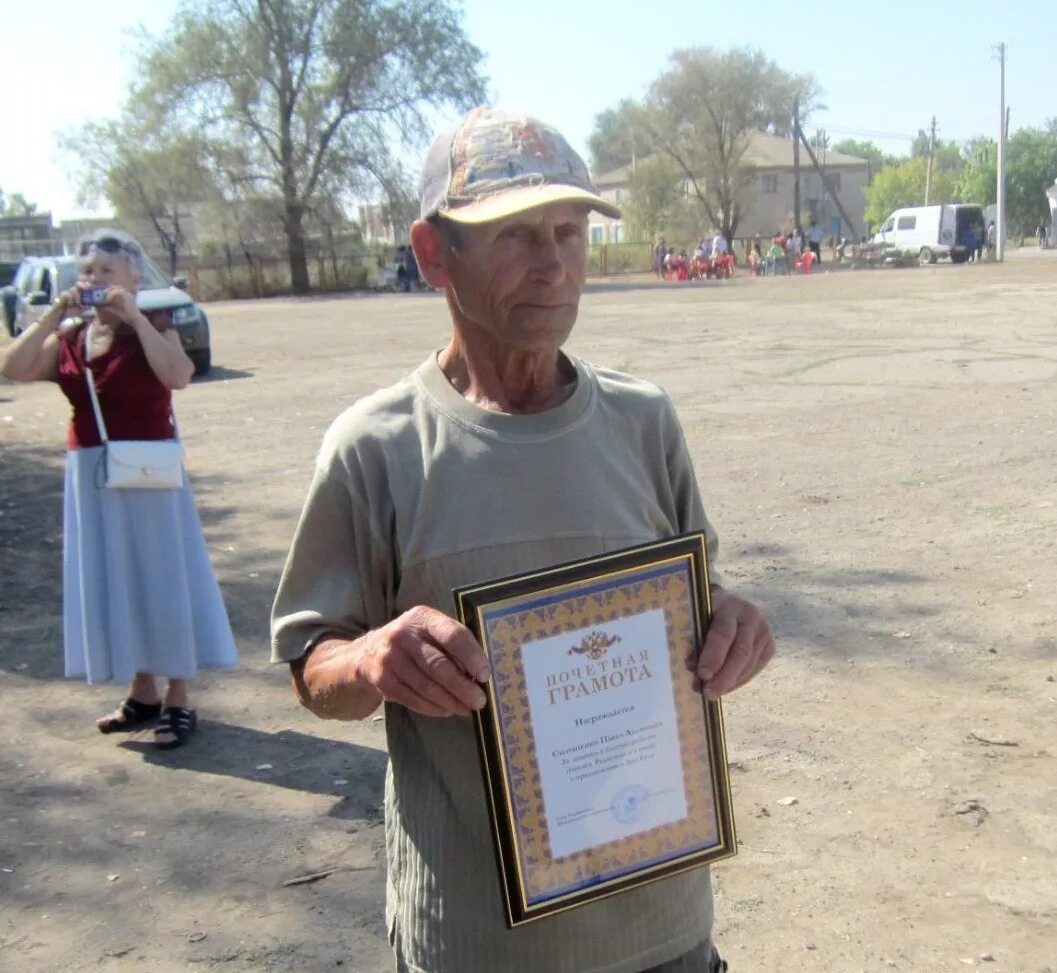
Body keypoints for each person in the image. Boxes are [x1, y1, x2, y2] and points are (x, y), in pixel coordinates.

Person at [271, 107, 774, 973]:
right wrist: (368, 661)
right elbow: (314, 669)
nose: (553, 266)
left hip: (662, 929)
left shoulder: (643, 420)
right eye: (513, 237)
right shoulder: (376, 447)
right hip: (477, 944)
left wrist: (734, 623)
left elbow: (696, 603)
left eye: (569, 232)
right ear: (435, 255)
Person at [0, 229, 238, 748]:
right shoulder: (72, 336)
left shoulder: (154, 323)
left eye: (108, 270)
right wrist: (51, 312)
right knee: (116, 579)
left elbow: (179, 375)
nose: (95, 280)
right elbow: (12, 366)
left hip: (151, 474)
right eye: (88, 271)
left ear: (133, 278)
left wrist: (132, 316)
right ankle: (142, 691)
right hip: (91, 473)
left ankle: (178, 696)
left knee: (161, 577)